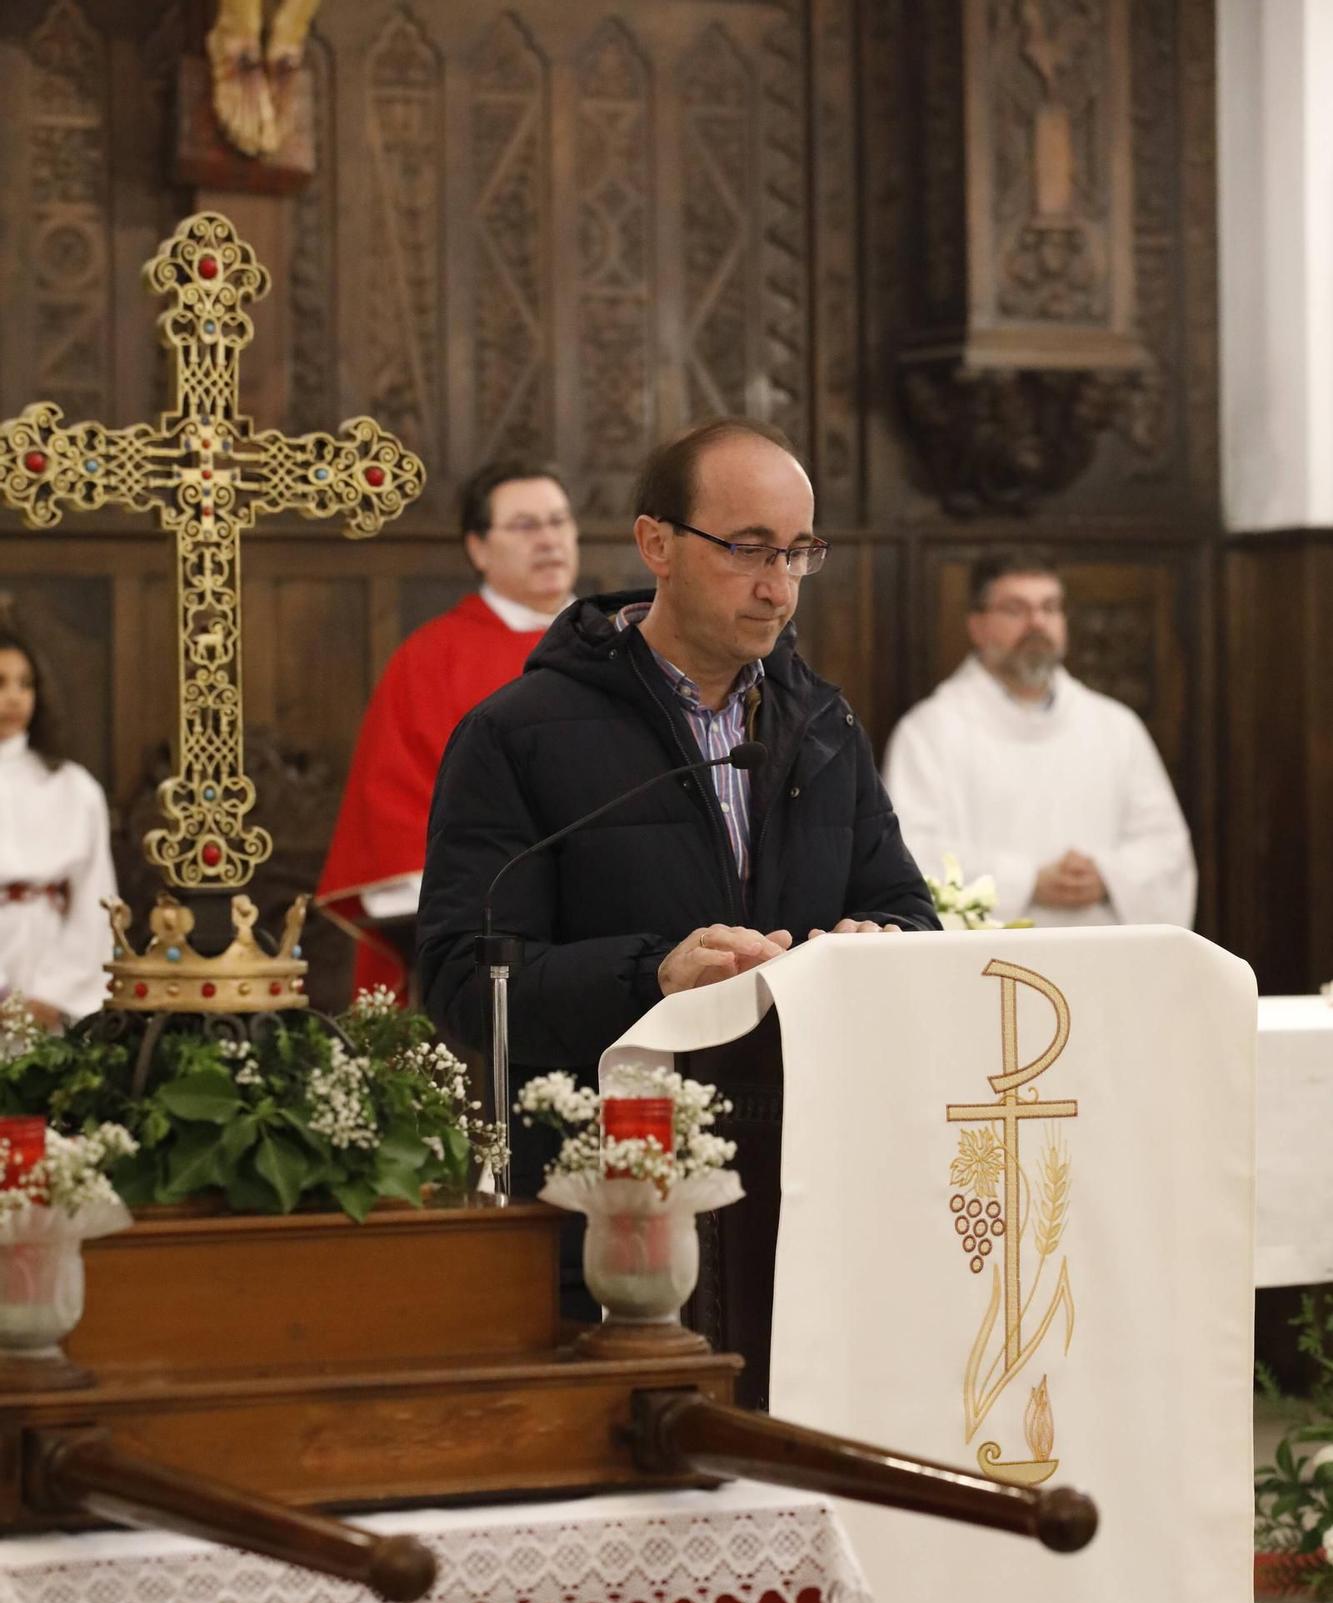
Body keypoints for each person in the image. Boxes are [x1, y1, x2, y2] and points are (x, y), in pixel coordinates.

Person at [418, 416, 938, 1145]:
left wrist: (878, 940)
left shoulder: (823, 723)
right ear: (655, 543)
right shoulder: (516, 733)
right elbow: (461, 983)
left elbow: (908, 910)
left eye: (797, 554)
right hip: (611, 1166)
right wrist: (650, 977)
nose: (777, 588)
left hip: (807, 1159)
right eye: (749, 549)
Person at [316, 458, 579, 996]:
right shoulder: (431, 659)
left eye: (559, 521)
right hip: (487, 932)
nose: (549, 540)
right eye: (526, 526)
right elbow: (393, 814)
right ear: (478, 548)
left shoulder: (622, 643)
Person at [883, 553, 1197, 928]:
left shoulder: (1116, 727)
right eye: (1016, 609)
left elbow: (1165, 848)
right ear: (977, 625)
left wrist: (1108, 876)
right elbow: (911, 855)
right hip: (984, 967)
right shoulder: (929, 732)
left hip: (1105, 956)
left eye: (1050, 608)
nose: (1038, 623)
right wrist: (1025, 882)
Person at [0, 601, 116, 1028]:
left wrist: (53, 994)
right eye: (0, 682)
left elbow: (95, 897)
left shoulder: (72, 786)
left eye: (25, 684)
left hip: (53, 961)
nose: (14, 697)